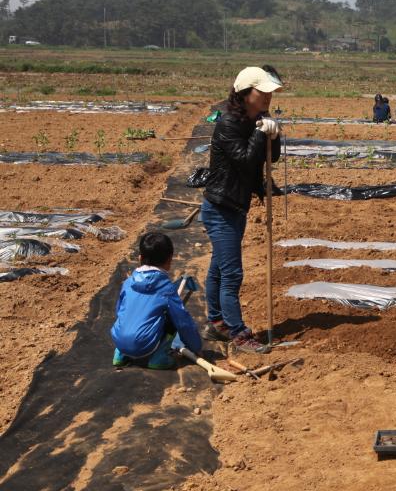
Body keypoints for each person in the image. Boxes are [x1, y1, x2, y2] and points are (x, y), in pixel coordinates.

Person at [201, 65, 282, 354]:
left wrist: (273, 134)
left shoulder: (256, 119)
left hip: (236, 206)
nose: (268, 98)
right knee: (232, 273)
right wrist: (262, 134)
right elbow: (247, 160)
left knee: (219, 269)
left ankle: (216, 322)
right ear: (247, 93)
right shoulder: (228, 124)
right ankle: (238, 332)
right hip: (220, 208)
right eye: (263, 92)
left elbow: (271, 158)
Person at [110, 232, 203, 369]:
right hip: (144, 345)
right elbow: (183, 321)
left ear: (140, 257)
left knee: (128, 314)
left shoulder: (128, 282)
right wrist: (196, 346)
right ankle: (159, 358)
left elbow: (119, 311)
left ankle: (120, 354)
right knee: (172, 320)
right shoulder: (166, 289)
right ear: (169, 260)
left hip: (119, 339)